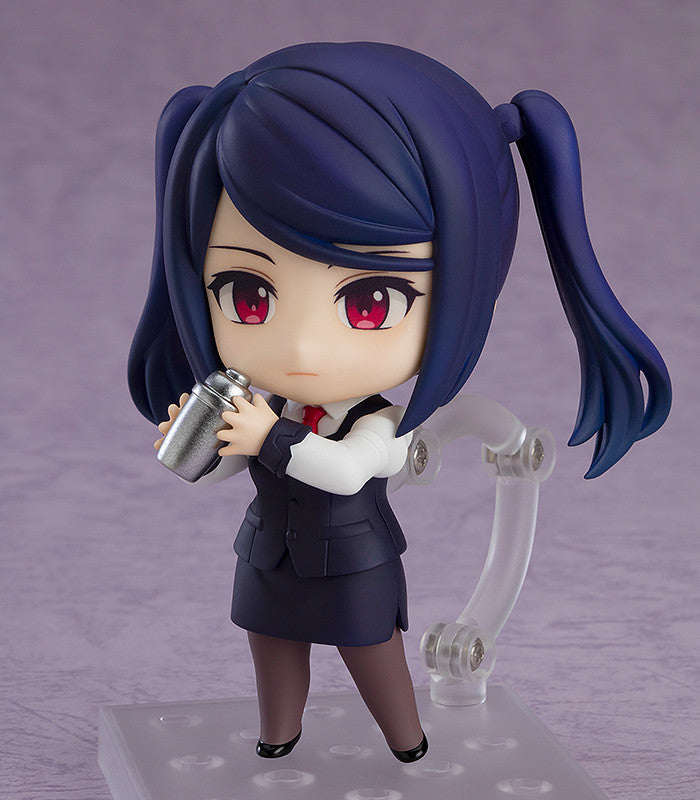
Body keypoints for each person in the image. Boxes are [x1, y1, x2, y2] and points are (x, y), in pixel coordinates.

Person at [128, 42, 671, 761]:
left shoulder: (379, 421)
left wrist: (265, 437)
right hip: (268, 554)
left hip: (354, 562)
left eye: (369, 302)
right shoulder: (268, 408)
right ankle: (277, 738)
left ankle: (408, 742)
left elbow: (348, 470)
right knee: (271, 644)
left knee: (370, 651)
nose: (302, 347)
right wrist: (203, 449)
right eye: (249, 295)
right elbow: (234, 466)